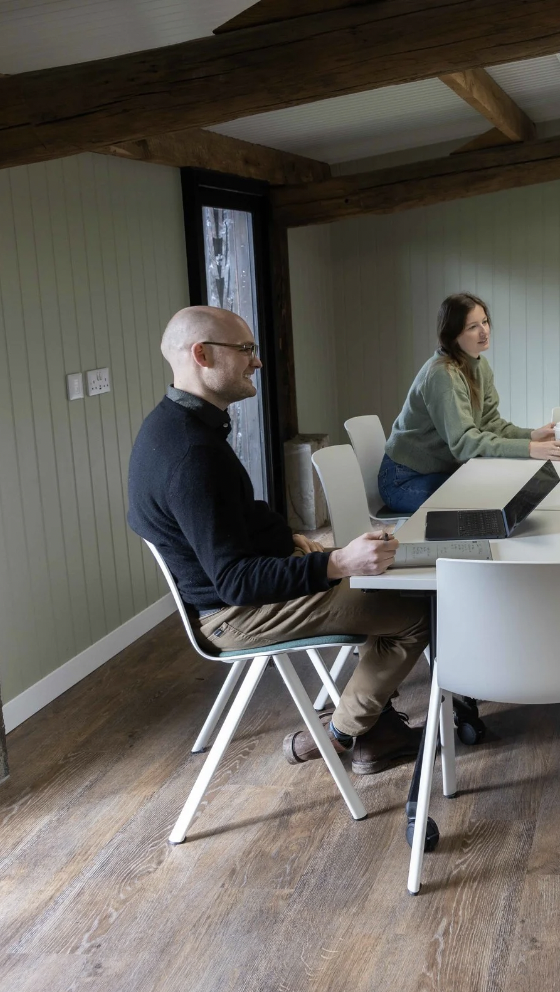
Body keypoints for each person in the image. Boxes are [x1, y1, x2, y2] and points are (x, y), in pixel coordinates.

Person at [128, 305, 429, 774]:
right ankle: (342, 735)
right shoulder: (192, 455)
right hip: (234, 614)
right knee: (416, 612)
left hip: (247, 588)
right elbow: (235, 582)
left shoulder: (179, 425)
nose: (258, 361)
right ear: (202, 354)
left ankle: (375, 732)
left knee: (395, 575)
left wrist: (301, 545)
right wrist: (337, 564)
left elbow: (242, 519)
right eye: (246, 349)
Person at [380, 292, 560, 513]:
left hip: (441, 470)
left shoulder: (479, 366)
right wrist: (530, 449)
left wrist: (530, 435)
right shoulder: (443, 376)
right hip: (404, 480)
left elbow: (490, 424)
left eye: (484, 322)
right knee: (484, 504)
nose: (484, 331)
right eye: (472, 327)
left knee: (501, 492)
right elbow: (465, 443)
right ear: (453, 334)